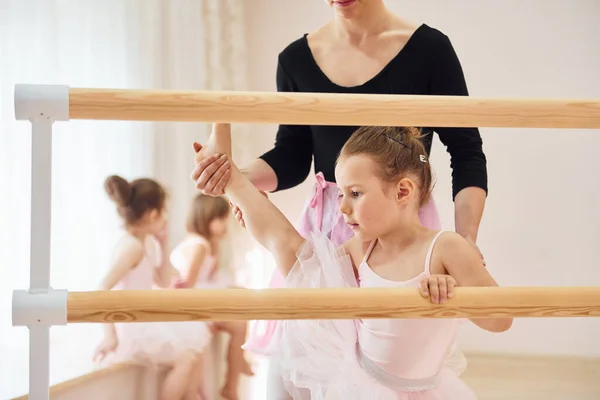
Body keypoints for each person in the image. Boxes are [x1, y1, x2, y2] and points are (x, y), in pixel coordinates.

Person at [192, 0, 487, 395]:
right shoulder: (296, 58)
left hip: (397, 221)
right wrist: (236, 176)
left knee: (390, 356)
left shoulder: (430, 50)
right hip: (329, 216)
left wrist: (465, 246)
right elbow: (293, 154)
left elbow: (466, 151)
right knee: (301, 345)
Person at [191, 123, 511, 399]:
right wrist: (246, 199)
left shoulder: (447, 248)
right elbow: (301, 260)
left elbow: (500, 321)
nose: (342, 208)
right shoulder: (365, 248)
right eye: (341, 194)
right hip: (363, 385)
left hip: (421, 390)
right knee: (303, 261)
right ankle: (229, 176)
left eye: (354, 193)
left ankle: (232, 178)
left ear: (403, 191)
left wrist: (452, 295)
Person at [93, 175, 212, 400]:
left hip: (142, 319)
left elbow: (163, 281)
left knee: (194, 347)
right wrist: (110, 335)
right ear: (152, 214)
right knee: (185, 359)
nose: (166, 217)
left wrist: (164, 242)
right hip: (130, 326)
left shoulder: (145, 243)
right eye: (164, 211)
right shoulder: (131, 248)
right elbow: (101, 288)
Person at [170, 193, 254, 400]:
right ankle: (231, 383)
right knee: (240, 324)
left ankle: (239, 362)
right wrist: (202, 318)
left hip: (203, 298)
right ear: (206, 218)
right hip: (196, 303)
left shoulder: (200, 243)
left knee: (243, 298)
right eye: (221, 218)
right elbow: (187, 285)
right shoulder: (199, 246)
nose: (226, 223)